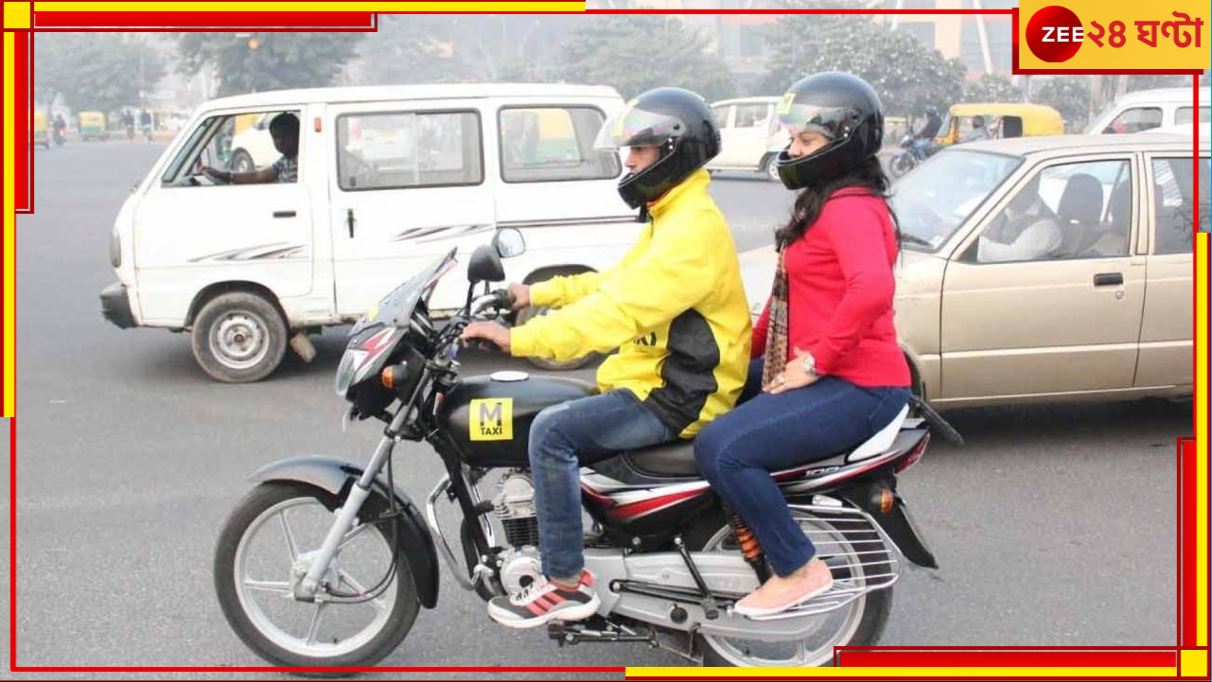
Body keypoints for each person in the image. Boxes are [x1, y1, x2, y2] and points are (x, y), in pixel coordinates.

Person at [460, 87, 752, 629]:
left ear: (673, 150)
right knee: (558, 414)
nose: (629, 162)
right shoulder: (675, 215)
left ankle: (566, 583)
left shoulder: (692, 231)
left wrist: (517, 340)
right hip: (656, 378)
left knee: (551, 432)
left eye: (638, 151)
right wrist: (536, 294)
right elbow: (615, 282)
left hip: (680, 393)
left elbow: (616, 314)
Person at [692, 72, 912, 618]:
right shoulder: (823, 203)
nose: (793, 150)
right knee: (700, 396)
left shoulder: (851, 208)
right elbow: (783, 301)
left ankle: (798, 566)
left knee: (723, 447)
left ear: (845, 142)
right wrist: (733, 356)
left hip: (860, 383)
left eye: (806, 141)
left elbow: (872, 288)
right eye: (793, 139)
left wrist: (815, 363)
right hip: (827, 370)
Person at [977, 175, 1062, 262]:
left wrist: (976, 245)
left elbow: (1013, 257)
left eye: (1013, 188)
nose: (1005, 194)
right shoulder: (1000, 209)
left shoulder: (1046, 226)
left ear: (1031, 188)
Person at [203, 112, 299, 184]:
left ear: (296, 135)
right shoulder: (285, 161)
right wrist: (227, 176)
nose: (280, 141)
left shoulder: (301, 160)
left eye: (284, 136)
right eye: (276, 137)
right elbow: (259, 176)